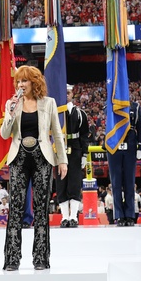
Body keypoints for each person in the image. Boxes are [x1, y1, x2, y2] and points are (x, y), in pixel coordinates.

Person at [0, 65, 68, 271]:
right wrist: (9, 113)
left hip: (43, 158)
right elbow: (4, 134)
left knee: (41, 210)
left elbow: (56, 132)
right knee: (16, 209)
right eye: (19, 81)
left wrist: (62, 159)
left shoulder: (49, 103)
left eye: (25, 81)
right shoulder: (12, 103)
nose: (21, 85)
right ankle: (12, 258)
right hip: (19, 158)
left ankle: (41, 257)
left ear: (34, 82)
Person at [107, 94, 141, 226]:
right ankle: (119, 215)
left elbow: (140, 126)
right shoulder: (110, 105)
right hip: (114, 145)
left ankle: (129, 214)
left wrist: (140, 146)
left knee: (129, 182)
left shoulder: (135, 106)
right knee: (116, 182)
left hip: (130, 144)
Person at [57, 84, 91, 227]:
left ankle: (73, 217)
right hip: (59, 150)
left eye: (68, 92)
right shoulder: (56, 113)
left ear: (72, 94)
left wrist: (84, 153)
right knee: (61, 184)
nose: (66, 95)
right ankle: (65, 217)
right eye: (63, 92)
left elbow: (84, 135)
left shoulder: (80, 113)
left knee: (74, 183)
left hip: (75, 149)